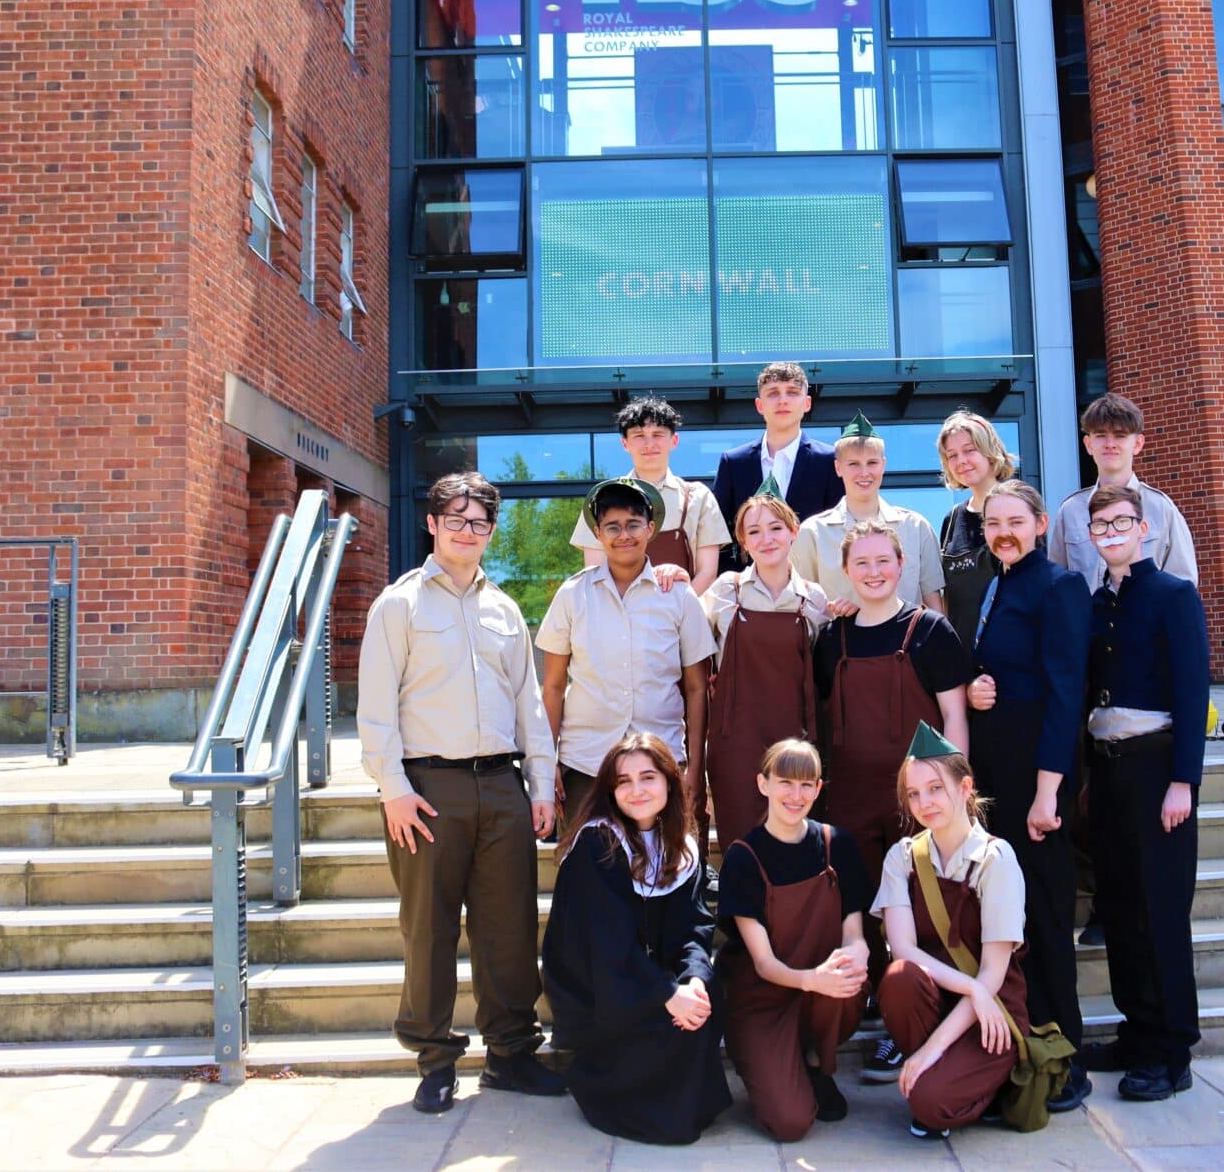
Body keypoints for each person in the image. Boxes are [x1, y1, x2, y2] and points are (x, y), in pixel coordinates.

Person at [355, 471, 566, 1114]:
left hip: (501, 786)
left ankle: (511, 1054)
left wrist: (540, 783)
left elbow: (529, 702)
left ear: (490, 531)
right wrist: (392, 788)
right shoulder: (399, 604)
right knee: (430, 929)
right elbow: (375, 708)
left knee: (508, 928)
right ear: (432, 524)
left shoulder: (504, 609)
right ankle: (435, 1059)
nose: (467, 530)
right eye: (455, 518)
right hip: (427, 789)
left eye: (479, 522)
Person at [812, 518, 971, 1085]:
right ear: (846, 571)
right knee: (860, 903)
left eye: (884, 562)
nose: (873, 572)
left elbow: (954, 713)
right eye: (862, 563)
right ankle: (872, 1010)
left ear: (901, 567)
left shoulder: (929, 631)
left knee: (923, 907)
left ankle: (915, 1031)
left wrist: (954, 790)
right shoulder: (832, 637)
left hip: (919, 798)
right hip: (851, 794)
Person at [1076, 482, 1209, 1101]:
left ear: (1145, 529)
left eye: (1121, 524)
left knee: (1160, 914)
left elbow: (1191, 692)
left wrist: (1184, 781)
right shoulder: (1096, 602)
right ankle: (1137, 1032)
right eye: (1100, 528)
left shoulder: (1173, 596)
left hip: (1159, 772)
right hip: (1108, 772)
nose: (1111, 535)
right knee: (1122, 908)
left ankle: (1172, 1048)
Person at [964, 480, 1092, 1112]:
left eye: (1015, 520)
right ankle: (1020, 1050)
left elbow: (1067, 693)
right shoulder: (996, 584)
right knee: (1009, 923)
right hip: (996, 782)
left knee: (1043, 919)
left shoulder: (1060, 586)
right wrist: (976, 691)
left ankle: (1067, 1062)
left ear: (1040, 524)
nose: (1004, 531)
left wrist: (1049, 793)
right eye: (993, 522)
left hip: (1038, 788)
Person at [541, 733, 733, 1145]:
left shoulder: (680, 844)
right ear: (610, 791)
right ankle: (615, 1094)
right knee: (671, 1019)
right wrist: (666, 993)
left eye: (648, 777)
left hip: (643, 973)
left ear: (669, 781)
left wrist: (693, 981)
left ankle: (679, 1099)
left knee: (705, 996)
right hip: (601, 987)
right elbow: (606, 945)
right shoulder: (599, 843)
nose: (637, 790)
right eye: (623, 781)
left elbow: (695, 927)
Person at [873, 724, 1030, 1140]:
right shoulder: (902, 857)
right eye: (913, 793)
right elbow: (903, 948)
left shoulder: (995, 859)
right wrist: (969, 988)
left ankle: (972, 1079)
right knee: (898, 980)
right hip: (940, 1000)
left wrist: (934, 1045)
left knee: (928, 1105)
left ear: (965, 788)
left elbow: (993, 976)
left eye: (935, 788)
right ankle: (937, 1072)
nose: (924, 802)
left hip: (990, 1014)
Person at [539, 476, 717, 835]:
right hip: (585, 764)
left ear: (650, 529)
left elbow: (697, 689)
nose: (624, 535)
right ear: (598, 534)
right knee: (589, 872)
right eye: (613, 527)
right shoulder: (573, 595)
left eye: (634, 524)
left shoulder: (679, 598)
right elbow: (554, 687)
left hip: (662, 762)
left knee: (663, 871)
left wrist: (696, 767)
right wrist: (546, 765)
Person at [717, 739, 872, 1141]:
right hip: (761, 1004)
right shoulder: (742, 858)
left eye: (807, 785)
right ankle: (777, 1067)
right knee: (789, 1123)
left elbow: (854, 933)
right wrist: (812, 979)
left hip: (818, 996)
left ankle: (819, 1066)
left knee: (849, 978)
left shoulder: (837, 844)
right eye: (785, 782)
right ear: (762, 784)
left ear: (819, 789)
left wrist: (857, 954)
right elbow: (765, 964)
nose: (796, 795)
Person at [702, 489, 829, 850]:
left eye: (775, 527)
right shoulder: (725, 591)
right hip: (735, 743)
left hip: (796, 740)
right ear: (743, 541)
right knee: (740, 843)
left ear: (794, 530)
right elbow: (686, 647)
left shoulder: (815, 599)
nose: (766, 539)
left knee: (792, 842)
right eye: (754, 531)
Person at [573, 395, 729, 594]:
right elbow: (594, 572)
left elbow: (707, 572)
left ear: (674, 440)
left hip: (683, 617)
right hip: (620, 617)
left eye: (657, 434)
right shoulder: (601, 499)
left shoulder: (698, 497)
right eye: (638, 436)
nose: (649, 444)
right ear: (624, 443)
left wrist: (680, 611)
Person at [793, 412, 947, 612]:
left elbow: (934, 601)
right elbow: (802, 607)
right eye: (853, 464)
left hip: (905, 642)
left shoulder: (916, 527)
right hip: (838, 641)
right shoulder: (812, 532)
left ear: (883, 465)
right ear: (838, 468)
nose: (864, 473)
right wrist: (832, 611)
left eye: (872, 463)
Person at [1048, 394, 1198, 588]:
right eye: (1101, 435)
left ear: (1137, 444)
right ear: (1088, 444)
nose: (1110, 443)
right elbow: (1055, 584)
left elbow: (1183, 583)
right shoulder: (1070, 511)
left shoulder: (1161, 508)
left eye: (1120, 435)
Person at [714, 362, 843, 571]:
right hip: (748, 590)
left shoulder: (830, 461)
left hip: (815, 587)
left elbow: (838, 531)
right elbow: (721, 535)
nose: (783, 400)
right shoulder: (734, 463)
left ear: (807, 403)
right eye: (773, 393)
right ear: (759, 405)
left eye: (792, 392)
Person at [934, 410, 1015, 646]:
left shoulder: (1017, 507)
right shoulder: (952, 520)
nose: (961, 461)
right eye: (952, 455)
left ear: (990, 452)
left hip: (1006, 656)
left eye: (970, 450)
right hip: (960, 657)